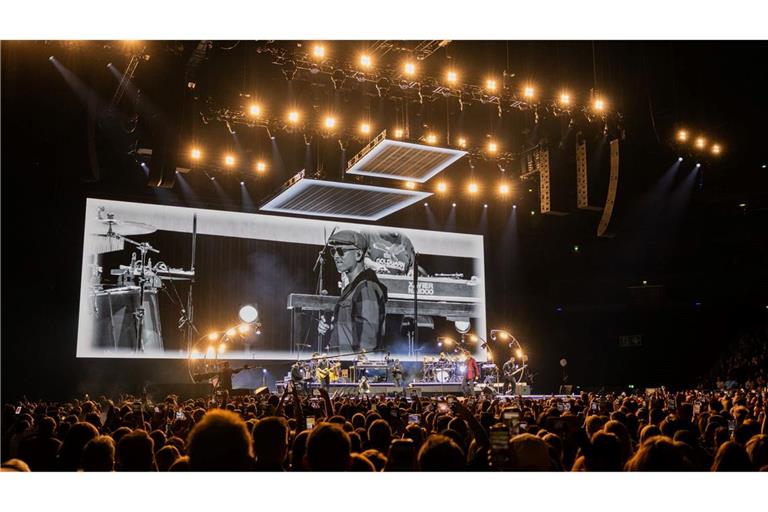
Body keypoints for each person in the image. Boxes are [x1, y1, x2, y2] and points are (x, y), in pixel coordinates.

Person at [318, 230, 387, 353]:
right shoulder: (353, 289)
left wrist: (360, 364)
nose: (336, 256)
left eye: (341, 251)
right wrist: (332, 327)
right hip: (342, 362)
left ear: (358, 255)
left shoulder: (366, 287)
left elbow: (368, 342)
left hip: (353, 364)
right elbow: (351, 329)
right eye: (334, 251)